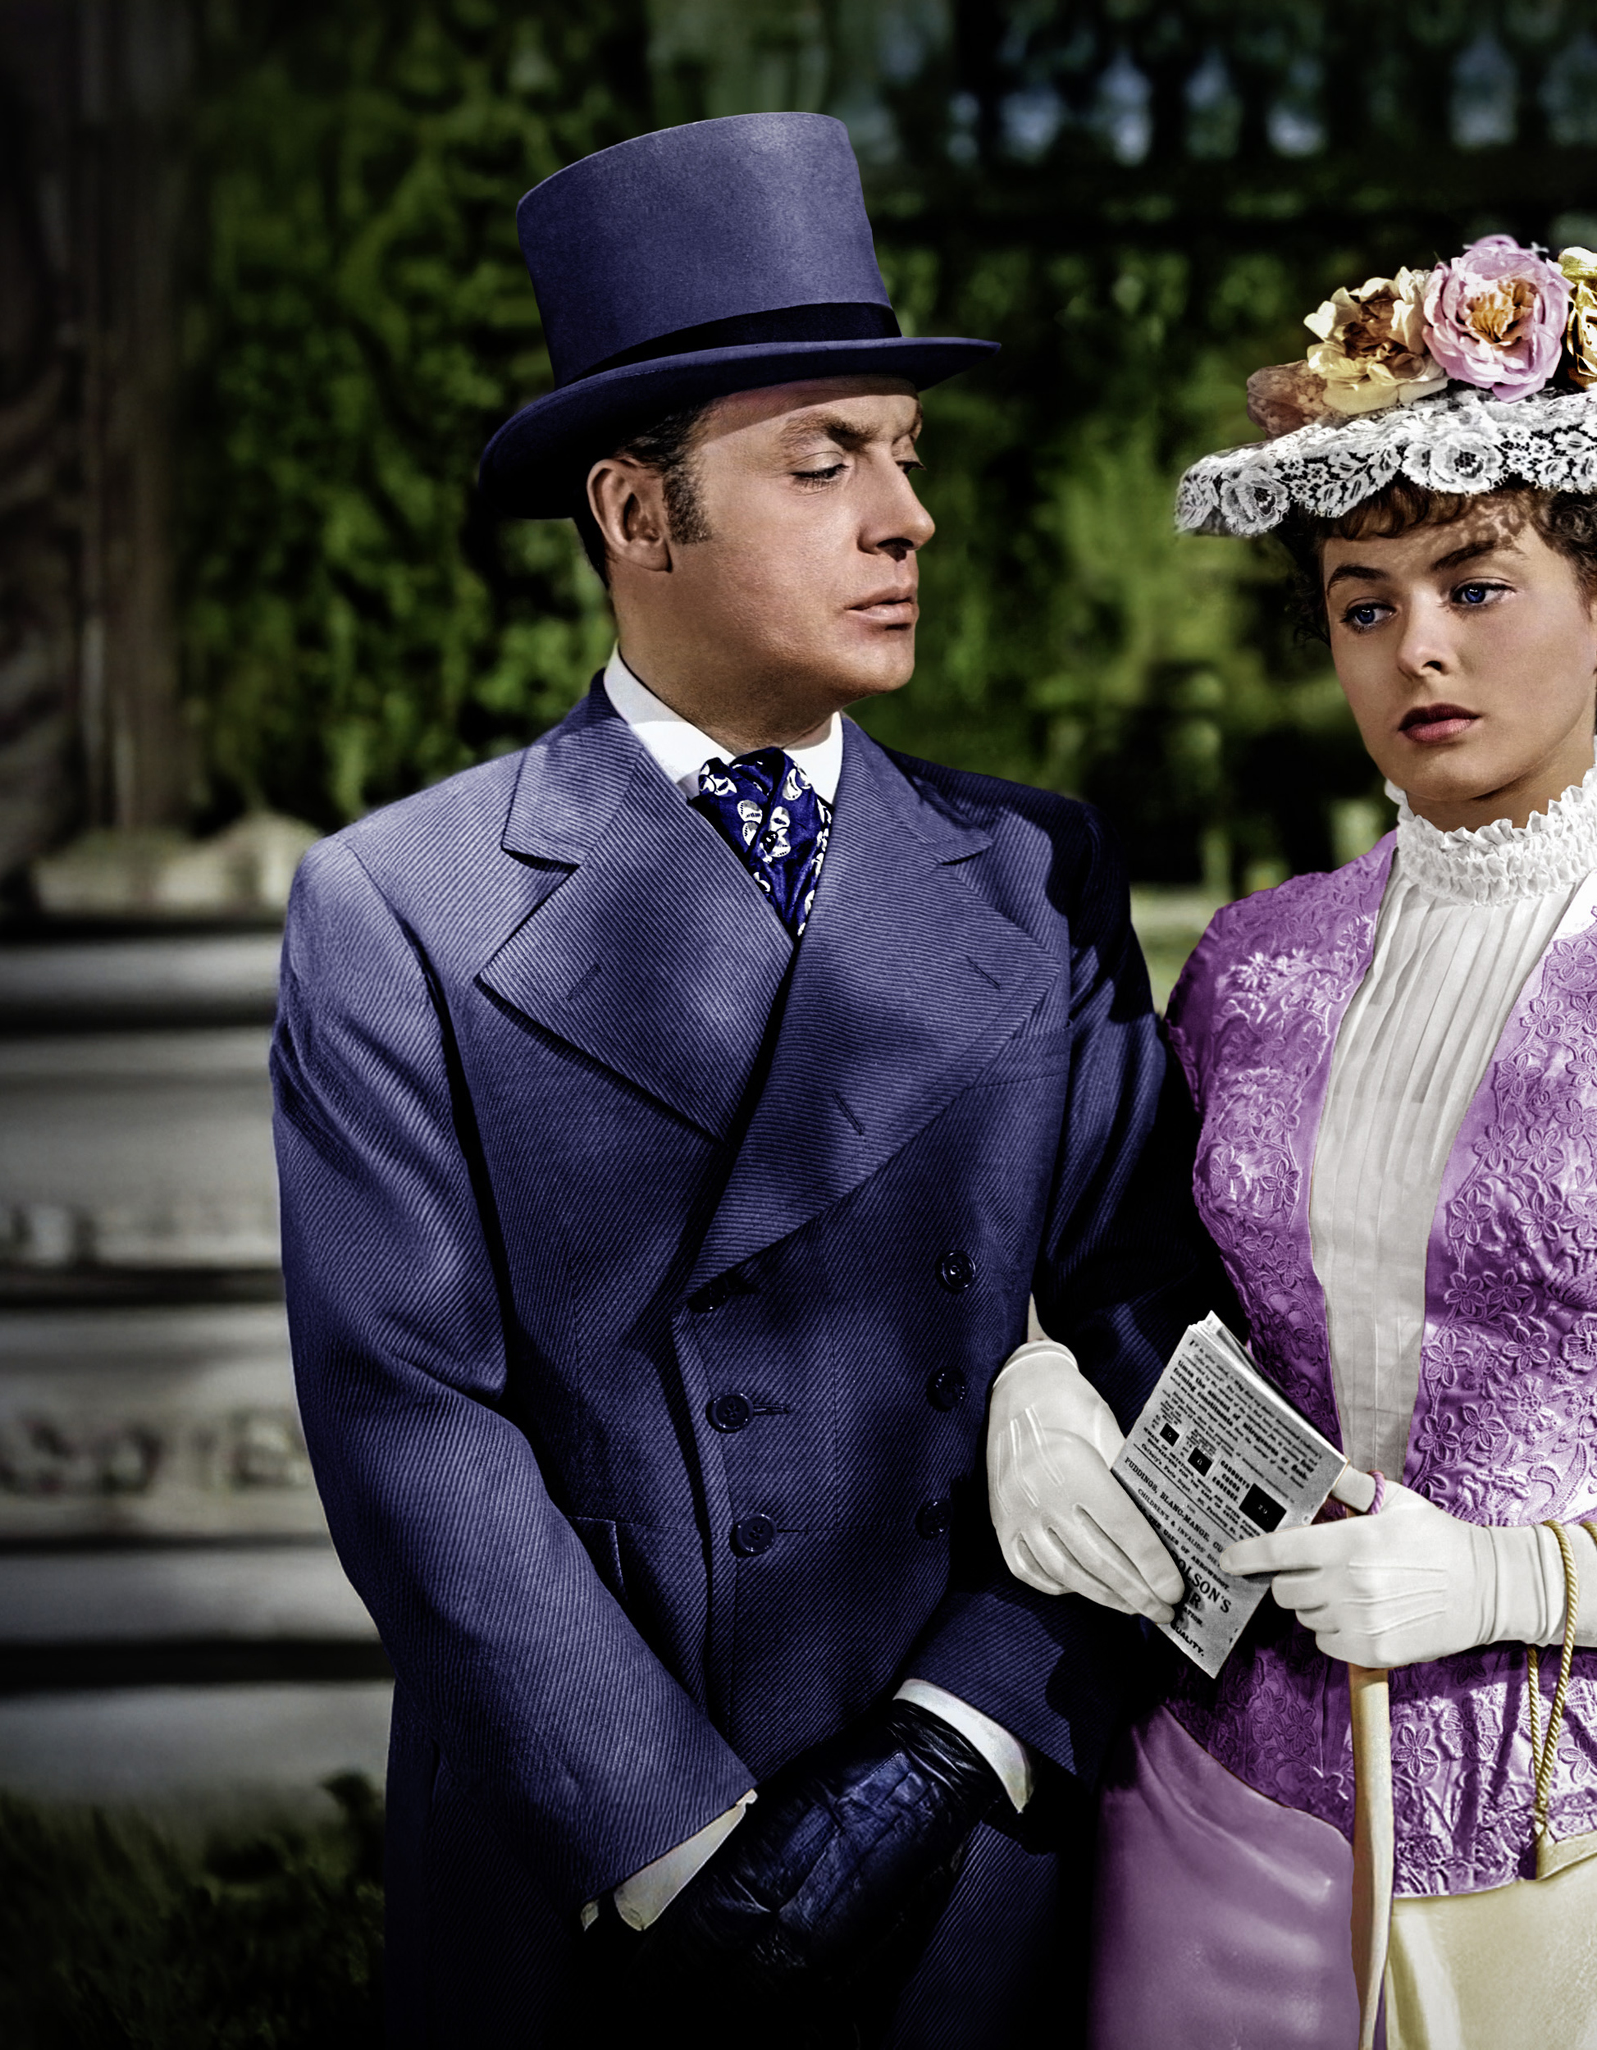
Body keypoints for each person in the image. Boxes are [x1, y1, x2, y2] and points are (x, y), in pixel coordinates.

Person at [987, 239, 1597, 2048]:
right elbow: (1110, 1277)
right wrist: (1035, 1374)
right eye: (1362, 604)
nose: (1418, 649)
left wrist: (1503, 1579)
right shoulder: (1253, 964)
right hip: (1210, 1800)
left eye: (1476, 582)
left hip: (1568, 1833)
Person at [272, 113, 1211, 2049]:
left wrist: (950, 1739)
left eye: (907, 453)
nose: (907, 516)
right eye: (824, 459)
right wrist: (682, 1845)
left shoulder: (1035, 871)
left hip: (971, 1844)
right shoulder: (402, 903)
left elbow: (1171, 1336)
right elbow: (407, 1421)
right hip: (589, 1864)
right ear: (638, 516)